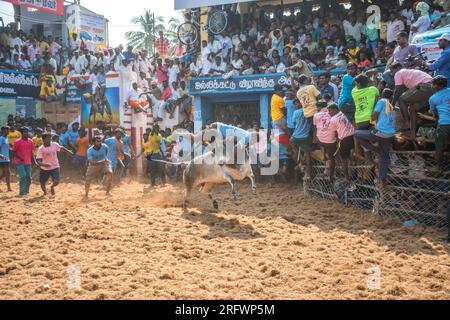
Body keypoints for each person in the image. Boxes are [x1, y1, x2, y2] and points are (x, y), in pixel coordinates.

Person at [354, 89, 396, 190]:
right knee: (384, 159)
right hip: (390, 135)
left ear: (382, 95)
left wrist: (369, 118)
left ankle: (374, 149)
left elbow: (373, 116)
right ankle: (383, 182)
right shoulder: (392, 105)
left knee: (356, 134)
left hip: (381, 133)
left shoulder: (382, 101)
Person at [390, 63, 433, 139]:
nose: (391, 73)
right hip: (431, 88)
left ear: (397, 68)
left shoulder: (399, 73)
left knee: (401, 99)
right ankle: (412, 133)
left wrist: (392, 105)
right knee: (412, 109)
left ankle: (407, 123)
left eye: (392, 71)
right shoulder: (408, 73)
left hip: (424, 86)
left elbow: (397, 91)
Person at [418, 76, 450, 176]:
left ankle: (439, 168)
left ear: (438, 86)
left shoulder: (433, 98)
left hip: (445, 123)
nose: (432, 86)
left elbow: (434, 114)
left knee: (439, 146)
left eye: (433, 84)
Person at [327, 103, 355, 186]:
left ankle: (347, 178)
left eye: (331, 110)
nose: (329, 112)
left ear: (336, 109)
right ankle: (351, 169)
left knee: (343, 159)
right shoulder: (343, 114)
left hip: (345, 139)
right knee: (347, 156)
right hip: (353, 136)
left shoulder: (333, 119)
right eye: (328, 111)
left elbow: (334, 132)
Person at [313, 100, 337, 182]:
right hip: (331, 140)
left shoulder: (316, 115)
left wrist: (315, 138)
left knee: (321, 142)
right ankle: (331, 176)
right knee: (332, 158)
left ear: (319, 107)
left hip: (320, 139)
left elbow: (315, 128)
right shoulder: (332, 113)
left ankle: (323, 154)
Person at [290, 98, 313, 180]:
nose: (295, 106)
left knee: (292, 145)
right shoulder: (308, 111)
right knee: (308, 156)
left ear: (300, 104)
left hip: (296, 136)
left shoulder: (296, 112)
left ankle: (300, 162)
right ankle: (308, 174)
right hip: (305, 137)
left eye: (296, 104)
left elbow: (293, 123)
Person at [13, 127, 34, 196]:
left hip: (28, 162)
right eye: (25, 132)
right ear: (21, 133)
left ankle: (26, 191)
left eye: (27, 131)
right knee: (23, 176)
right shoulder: (17, 141)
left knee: (28, 177)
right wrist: (20, 157)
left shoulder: (31, 141)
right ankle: (21, 192)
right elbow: (14, 152)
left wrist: (34, 162)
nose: (26, 133)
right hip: (19, 162)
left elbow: (32, 152)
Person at [0, 126, 12, 192]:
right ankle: (9, 188)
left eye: (8, 129)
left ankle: (9, 188)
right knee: (7, 173)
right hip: (2, 159)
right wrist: (1, 156)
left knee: (5, 173)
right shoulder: (1, 138)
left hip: (6, 158)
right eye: (7, 129)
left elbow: (7, 148)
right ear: (3, 131)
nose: (8, 131)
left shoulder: (6, 139)